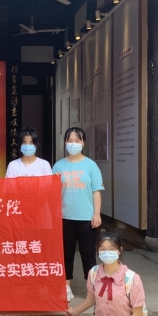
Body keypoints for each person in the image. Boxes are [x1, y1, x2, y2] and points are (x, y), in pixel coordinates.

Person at [52, 127, 104, 302]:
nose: (73, 144)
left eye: (77, 140)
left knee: (88, 254)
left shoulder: (91, 165)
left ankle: (92, 288)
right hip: (64, 216)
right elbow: (51, 192)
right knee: (66, 254)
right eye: (70, 140)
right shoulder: (58, 166)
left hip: (86, 218)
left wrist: (96, 214)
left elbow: (96, 191)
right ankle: (65, 287)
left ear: (83, 143)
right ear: (65, 142)